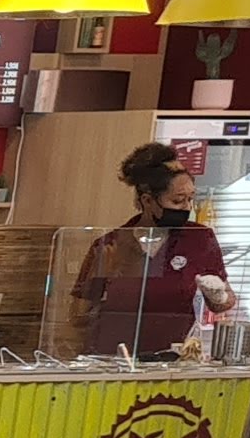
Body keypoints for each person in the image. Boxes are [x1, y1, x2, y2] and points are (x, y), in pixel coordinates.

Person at [75, 141, 236, 358]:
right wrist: (101, 277)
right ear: (148, 200)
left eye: (191, 199)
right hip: (111, 360)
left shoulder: (199, 239)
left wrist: (218, 295)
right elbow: (77, 317)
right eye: (178, 201)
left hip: (169, 358)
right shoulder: (111, 244)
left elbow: (224, 303)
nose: (187, 208)